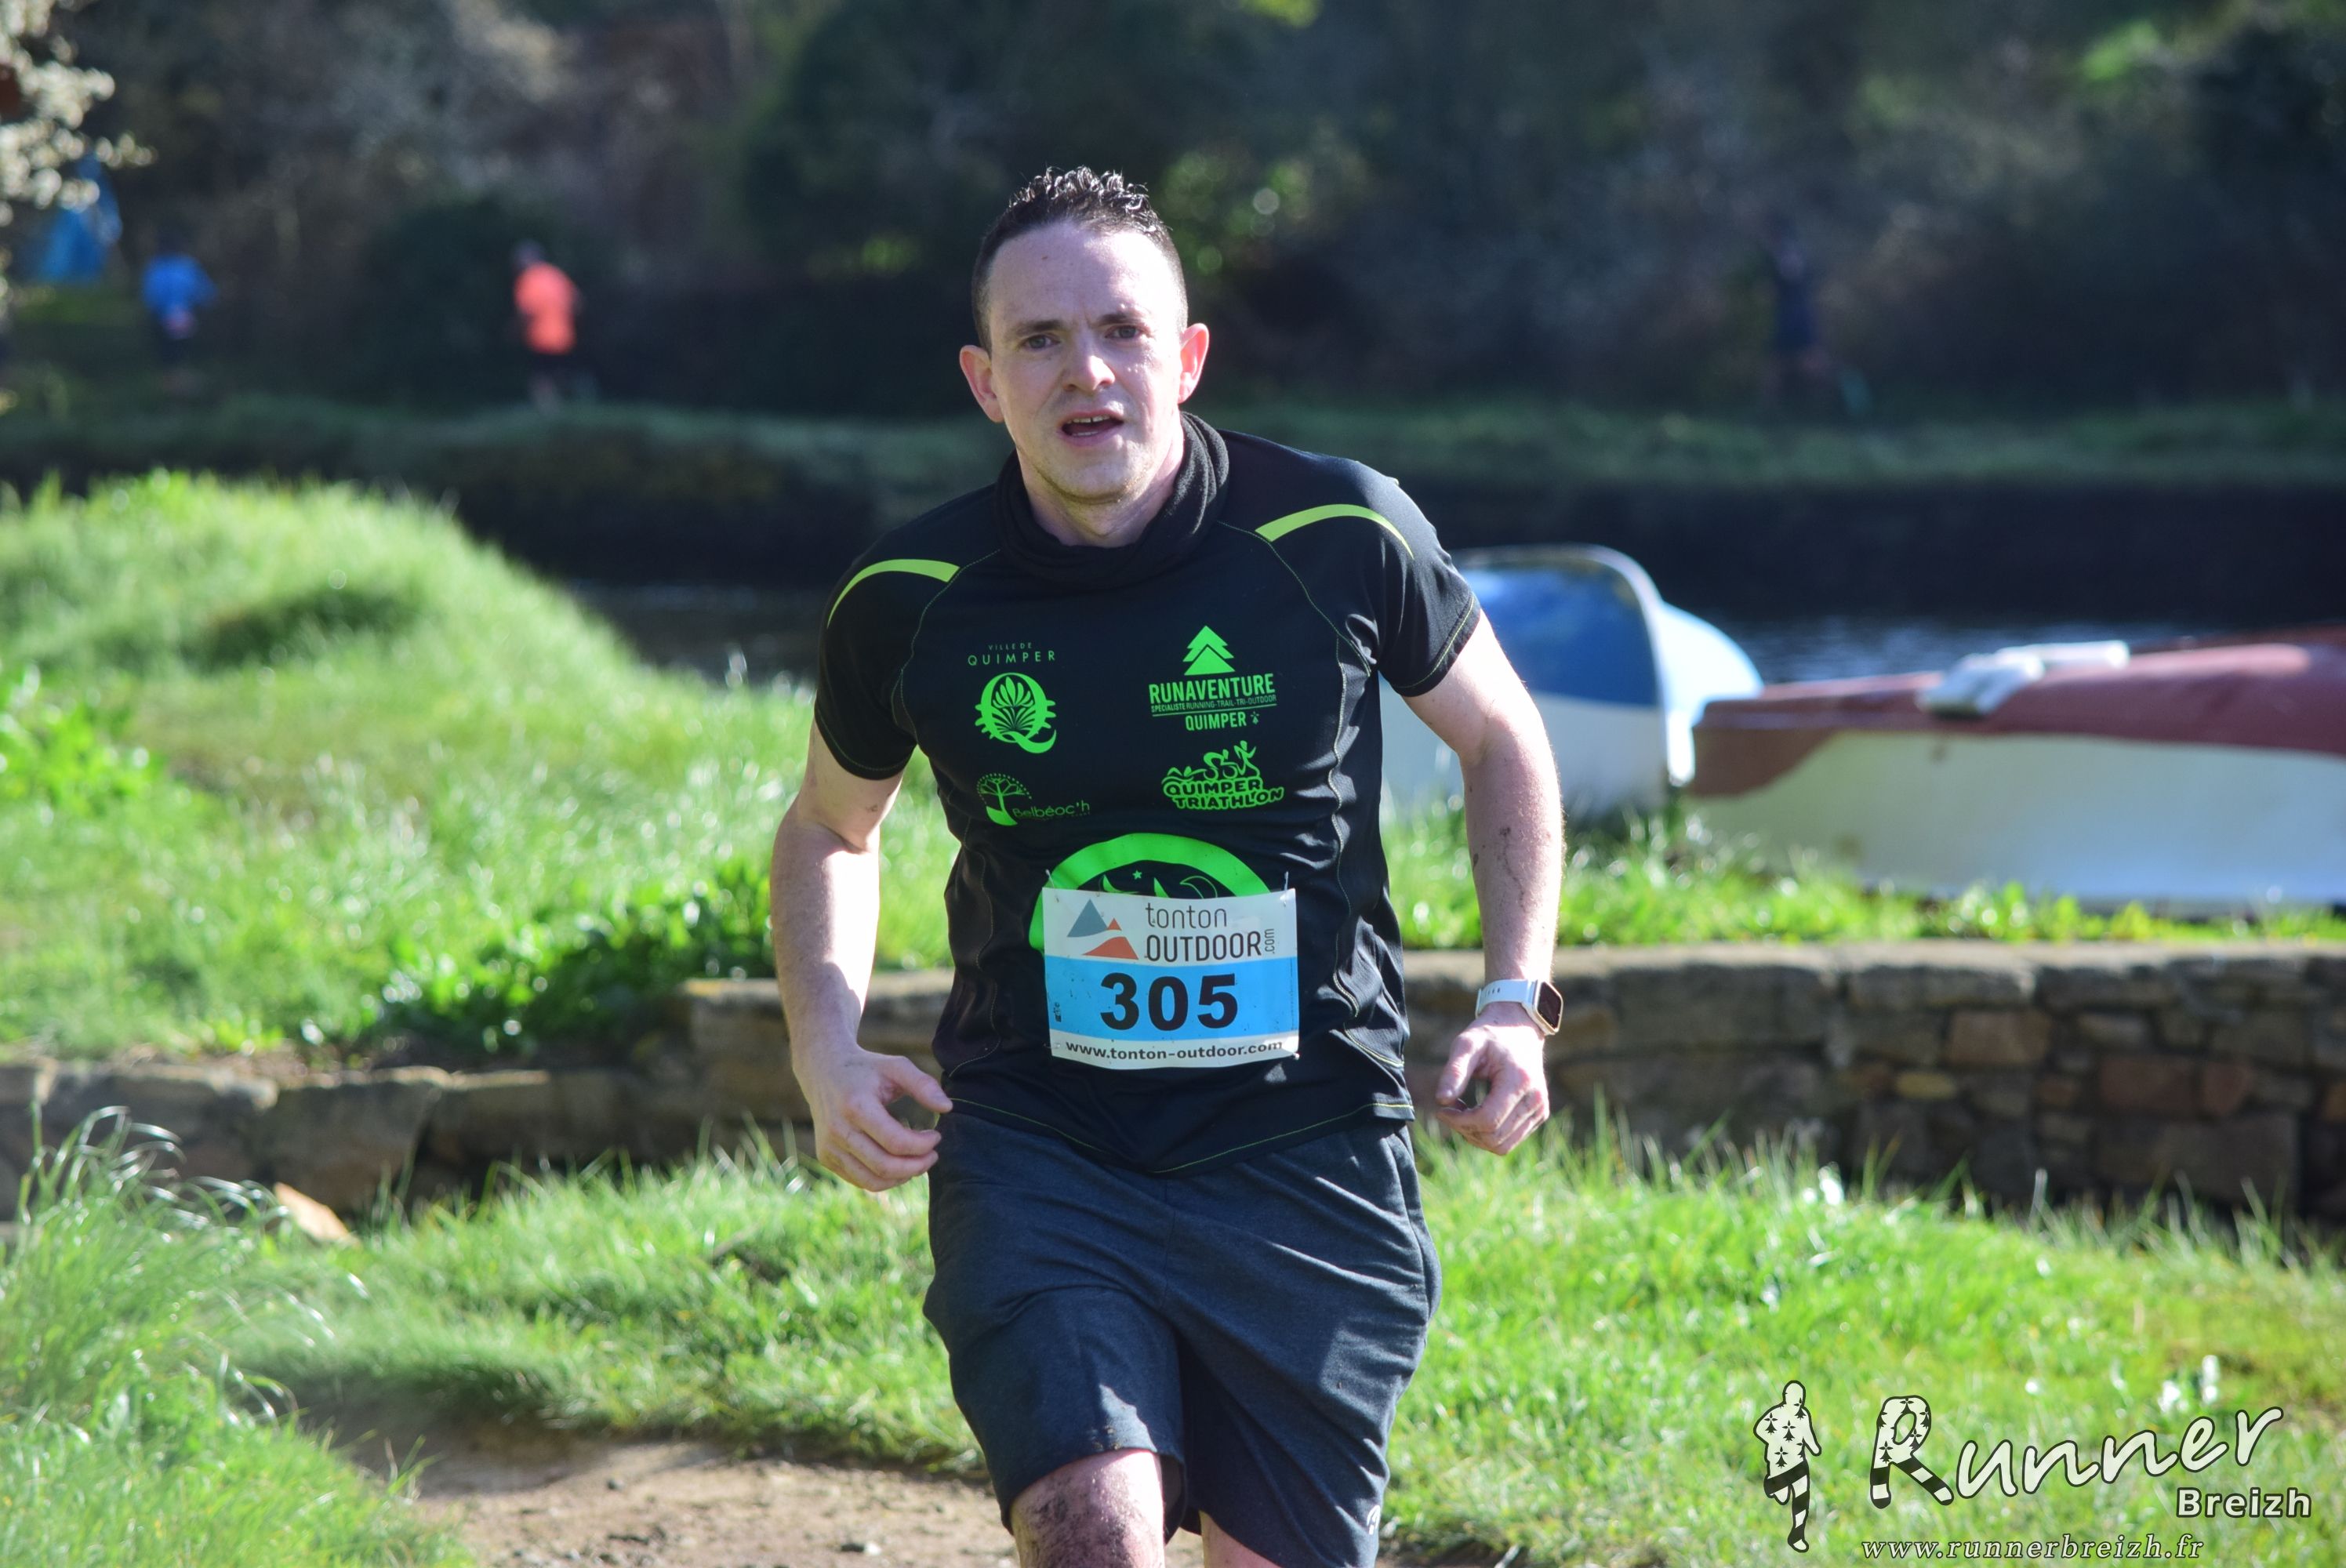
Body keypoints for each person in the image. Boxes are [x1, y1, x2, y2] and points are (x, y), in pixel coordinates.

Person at [770, 166, 1564, 1568]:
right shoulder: (909, 600)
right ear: (985, 381)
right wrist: (825, 1052)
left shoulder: (1340, 531)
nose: (1086, 370)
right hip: (1044, 1147)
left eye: (1122, 330)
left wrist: (1514, 1000)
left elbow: (1503, 739)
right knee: (1092, 1532)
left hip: (1306, 1148)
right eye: (1039, 339)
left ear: (1186, 357)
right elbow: (831, 829)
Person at [140, 229, 216, 397]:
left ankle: (171, 389)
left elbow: (150, 296)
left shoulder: (155, 267)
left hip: (163, 318)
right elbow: (205, 293)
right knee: (181, 354)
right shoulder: (188, 266)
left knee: (167, 355)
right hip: (186, 316)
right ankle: (180, 388)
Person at [510, 240, 581, 408]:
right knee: (559, 372)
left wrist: (516, 330)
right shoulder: (556, 275)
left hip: (540, 336)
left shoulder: (528, 279)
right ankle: (567, 403)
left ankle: (547, 409)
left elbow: (526, 312)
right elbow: (577, 303)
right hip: (564, 335)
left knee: (541, 375)